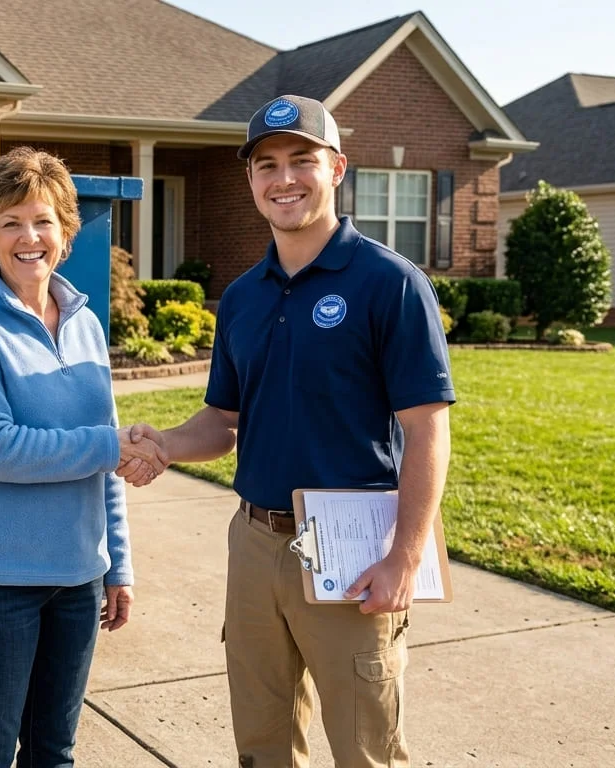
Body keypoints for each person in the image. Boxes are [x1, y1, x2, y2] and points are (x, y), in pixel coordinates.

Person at [125, 95, 455, 767]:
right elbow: (224, 421)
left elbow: (427, 432)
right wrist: (166, 444)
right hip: (254, 542)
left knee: (365, 749)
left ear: (337, 168)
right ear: (250, 179)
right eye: (267, 164)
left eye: (302, 160)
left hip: (352, 548)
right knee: (262, 743)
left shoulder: (390, 283)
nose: (284, 179)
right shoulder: (243, 296)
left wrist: (404, 557)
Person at [0, 146, 165, 768]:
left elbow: (104, 451)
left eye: (43, 221)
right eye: (11, 223)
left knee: (54, 751)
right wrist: (111, 446)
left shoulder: (85, 323)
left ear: (64, 235)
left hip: (76, 577)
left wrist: (117, 563)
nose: (28, 237)